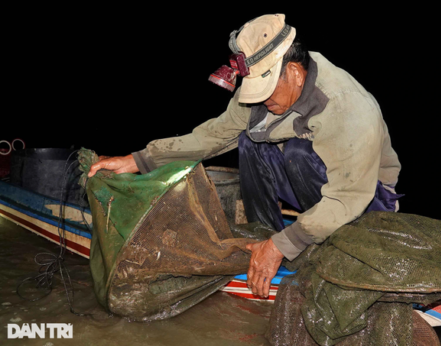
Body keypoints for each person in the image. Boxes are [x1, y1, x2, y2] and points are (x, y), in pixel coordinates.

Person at [88, 14, 402, 298]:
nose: (262, 101)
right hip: (314, 190)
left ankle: (289, 245)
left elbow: (348, 196)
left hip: (366, 200)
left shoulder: (347, 107)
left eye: (266, 91)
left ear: (293, 72)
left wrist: (284, 245)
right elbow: (213, 135)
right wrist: (139, 160)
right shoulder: (266, 82)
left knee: (296, 151)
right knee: (250, 141)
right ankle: (263, 239)